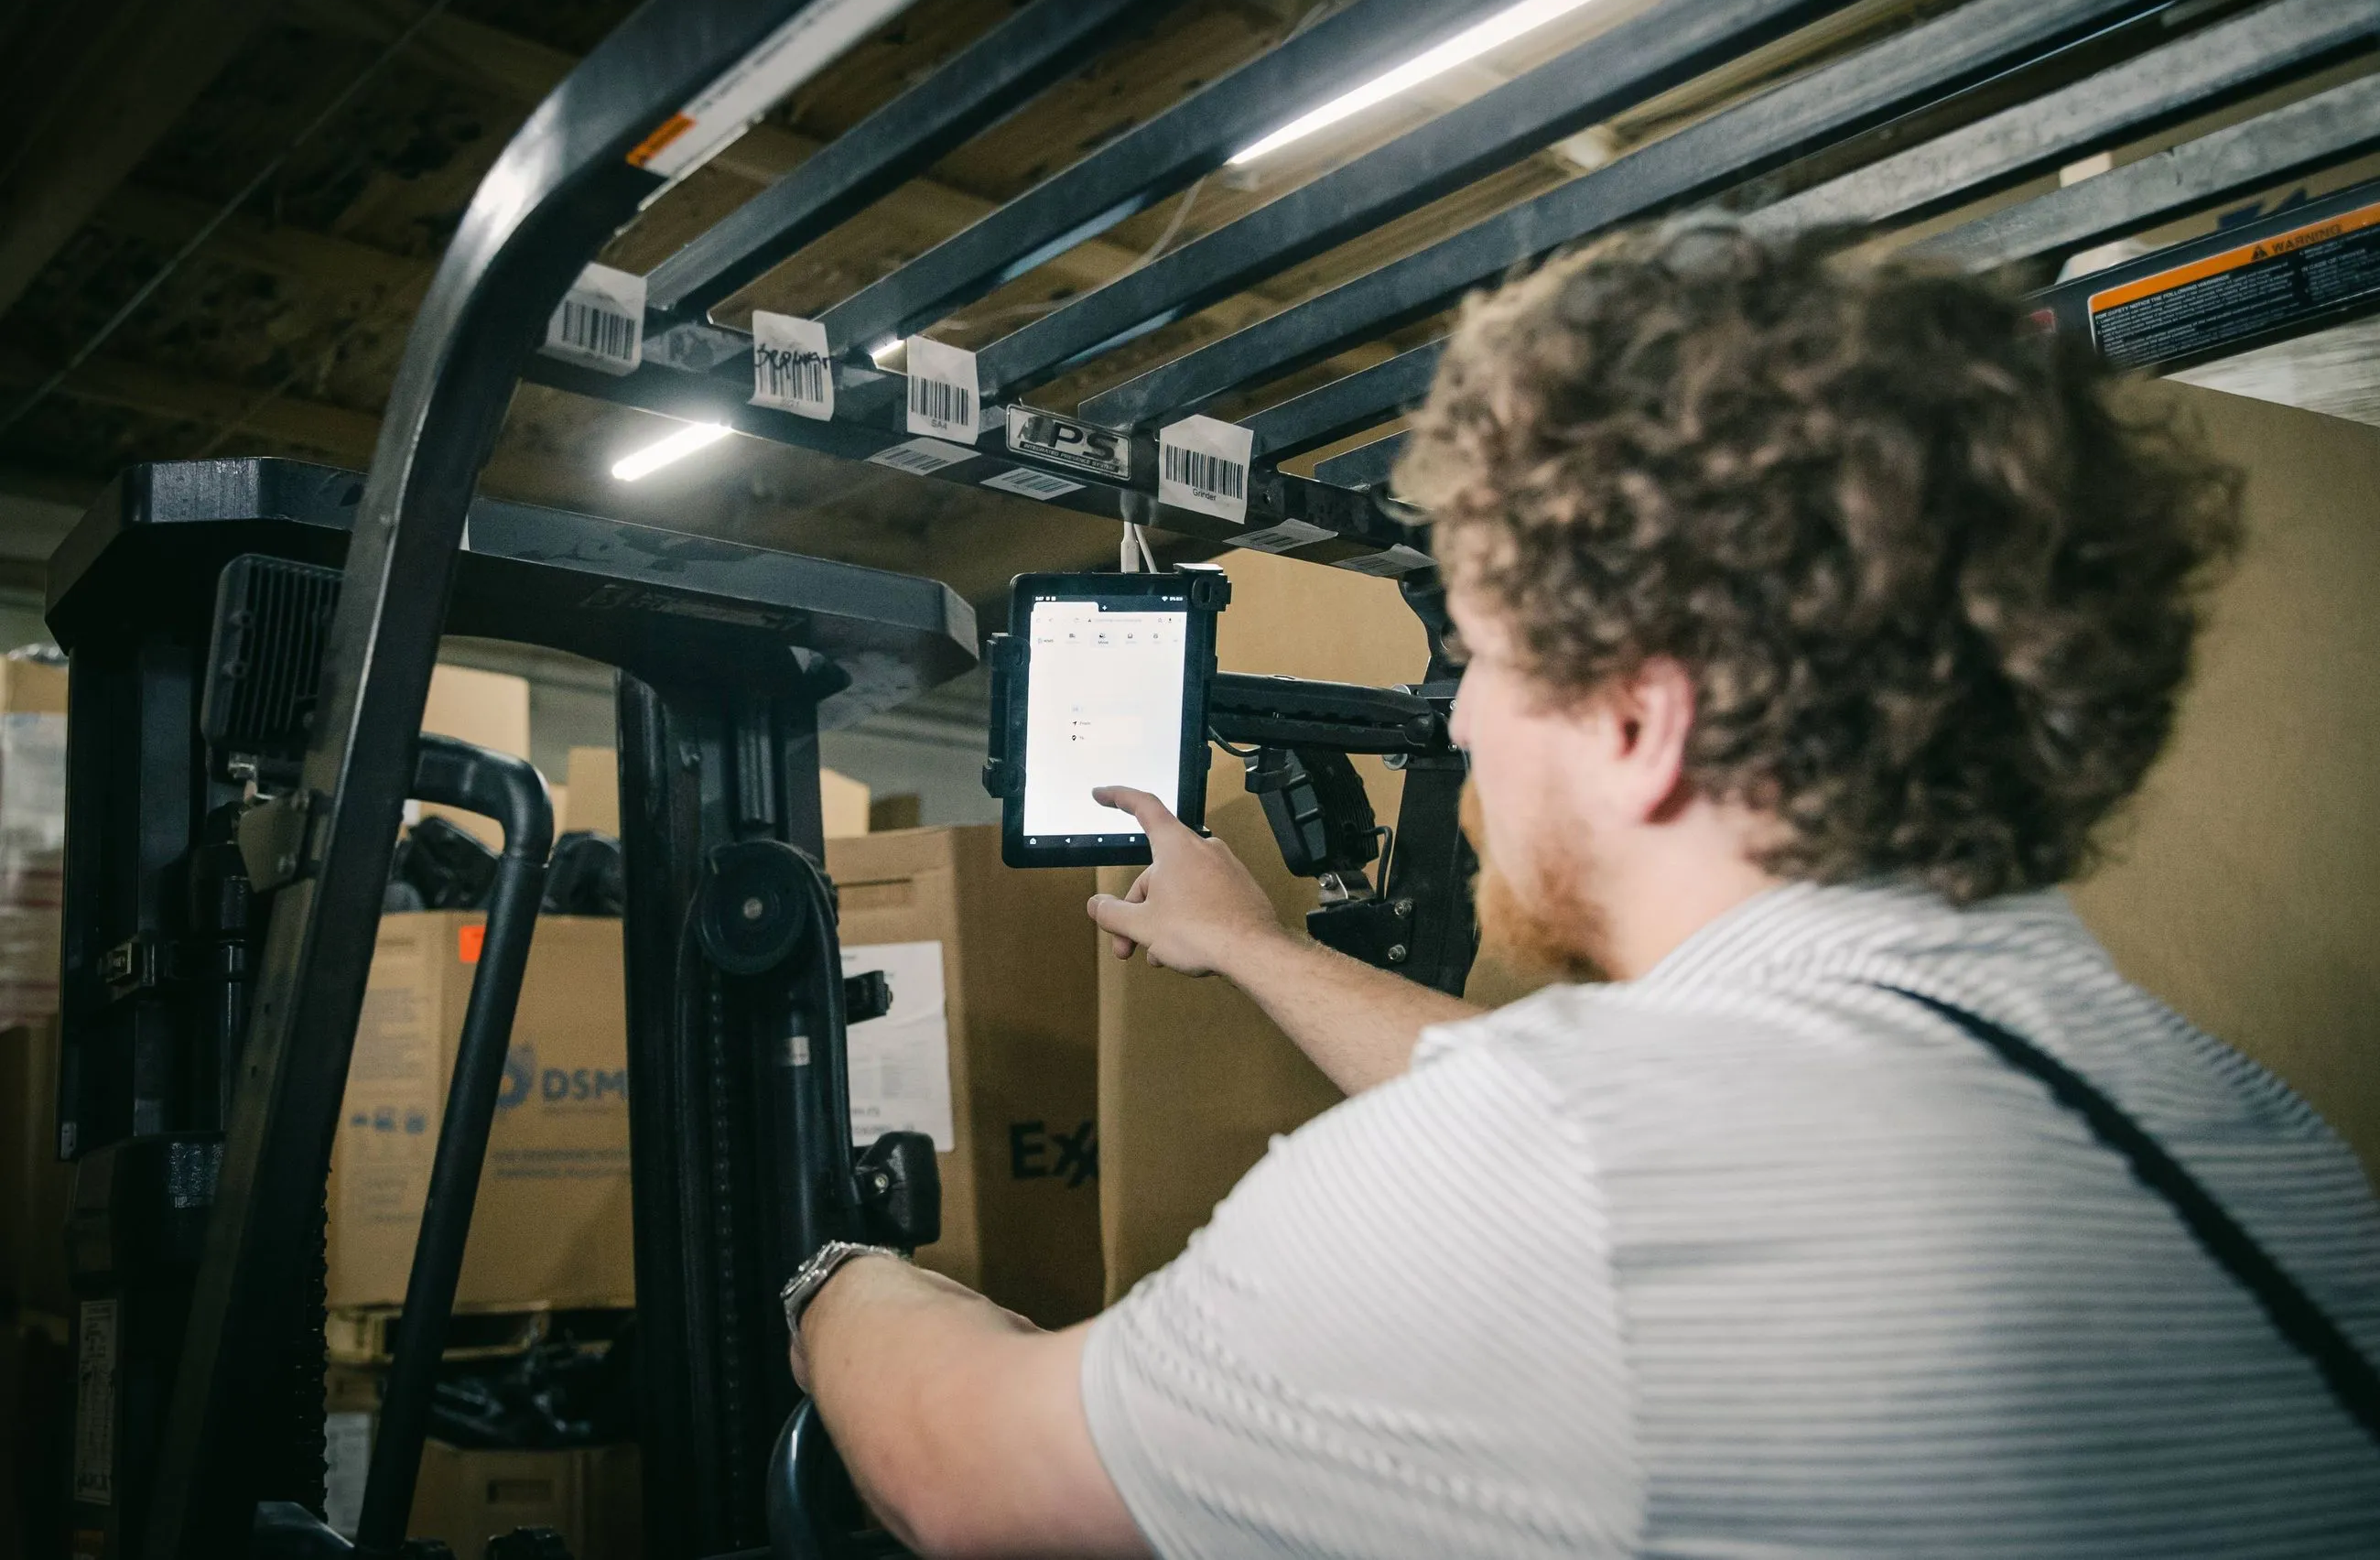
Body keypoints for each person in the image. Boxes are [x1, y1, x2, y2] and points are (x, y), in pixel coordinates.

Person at [782, 223, 2380, 1557]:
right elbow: (1609, 1117)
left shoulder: (1568, 1182)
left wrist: (832, 1277)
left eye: (1489, 655)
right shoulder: (2236, 1120)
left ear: (1638, 717)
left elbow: (960, 1469)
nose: (1462, 717)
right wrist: (1254, 951)